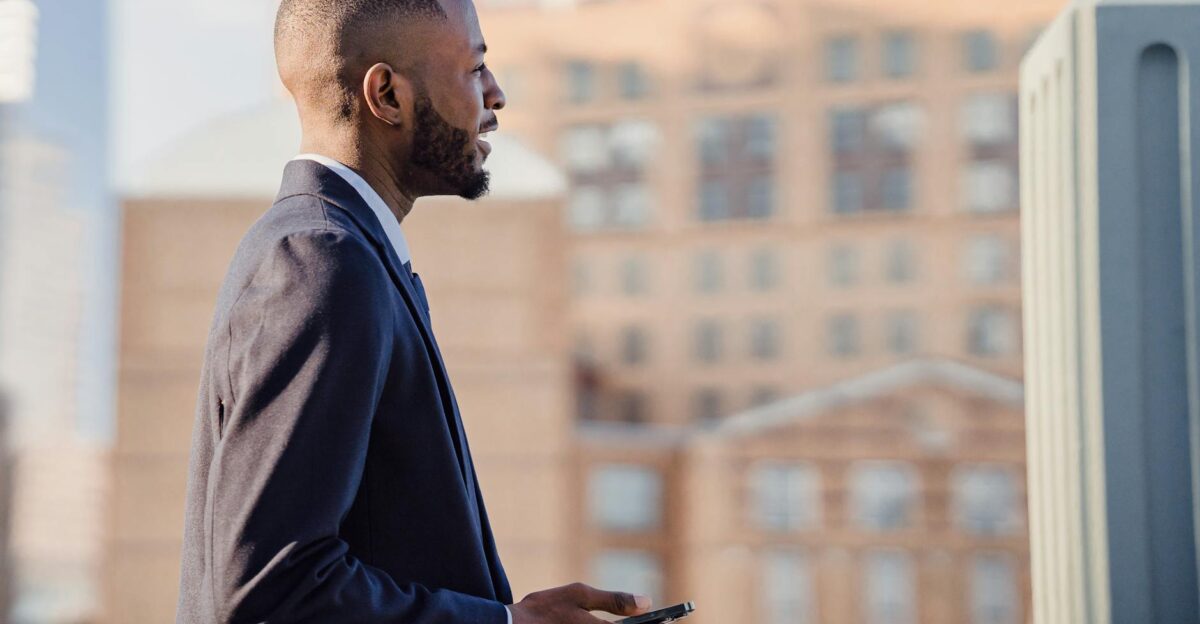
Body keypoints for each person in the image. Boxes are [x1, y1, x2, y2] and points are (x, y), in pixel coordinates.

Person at [175, 0, 655, 622]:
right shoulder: (321, 262)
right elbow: (273, 590)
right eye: (474, 68)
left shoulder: (343, 253)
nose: (496, 94)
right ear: (387, 96)